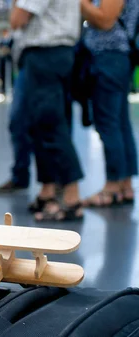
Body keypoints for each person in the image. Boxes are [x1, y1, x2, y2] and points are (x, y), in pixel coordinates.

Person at [10, 0, 85, 221]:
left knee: (50, 125)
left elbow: (17, 19)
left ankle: (72, 197)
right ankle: (48, 191)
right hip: (53, 54)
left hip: (45, 54)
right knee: (41, 125)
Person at [80, 0, 139, 207]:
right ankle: (125, 185)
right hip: (116, 58)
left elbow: (105, 20)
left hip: (108, 57)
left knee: (108, 123)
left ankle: (112, 187)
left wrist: (81, 4)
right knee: (120, 123)